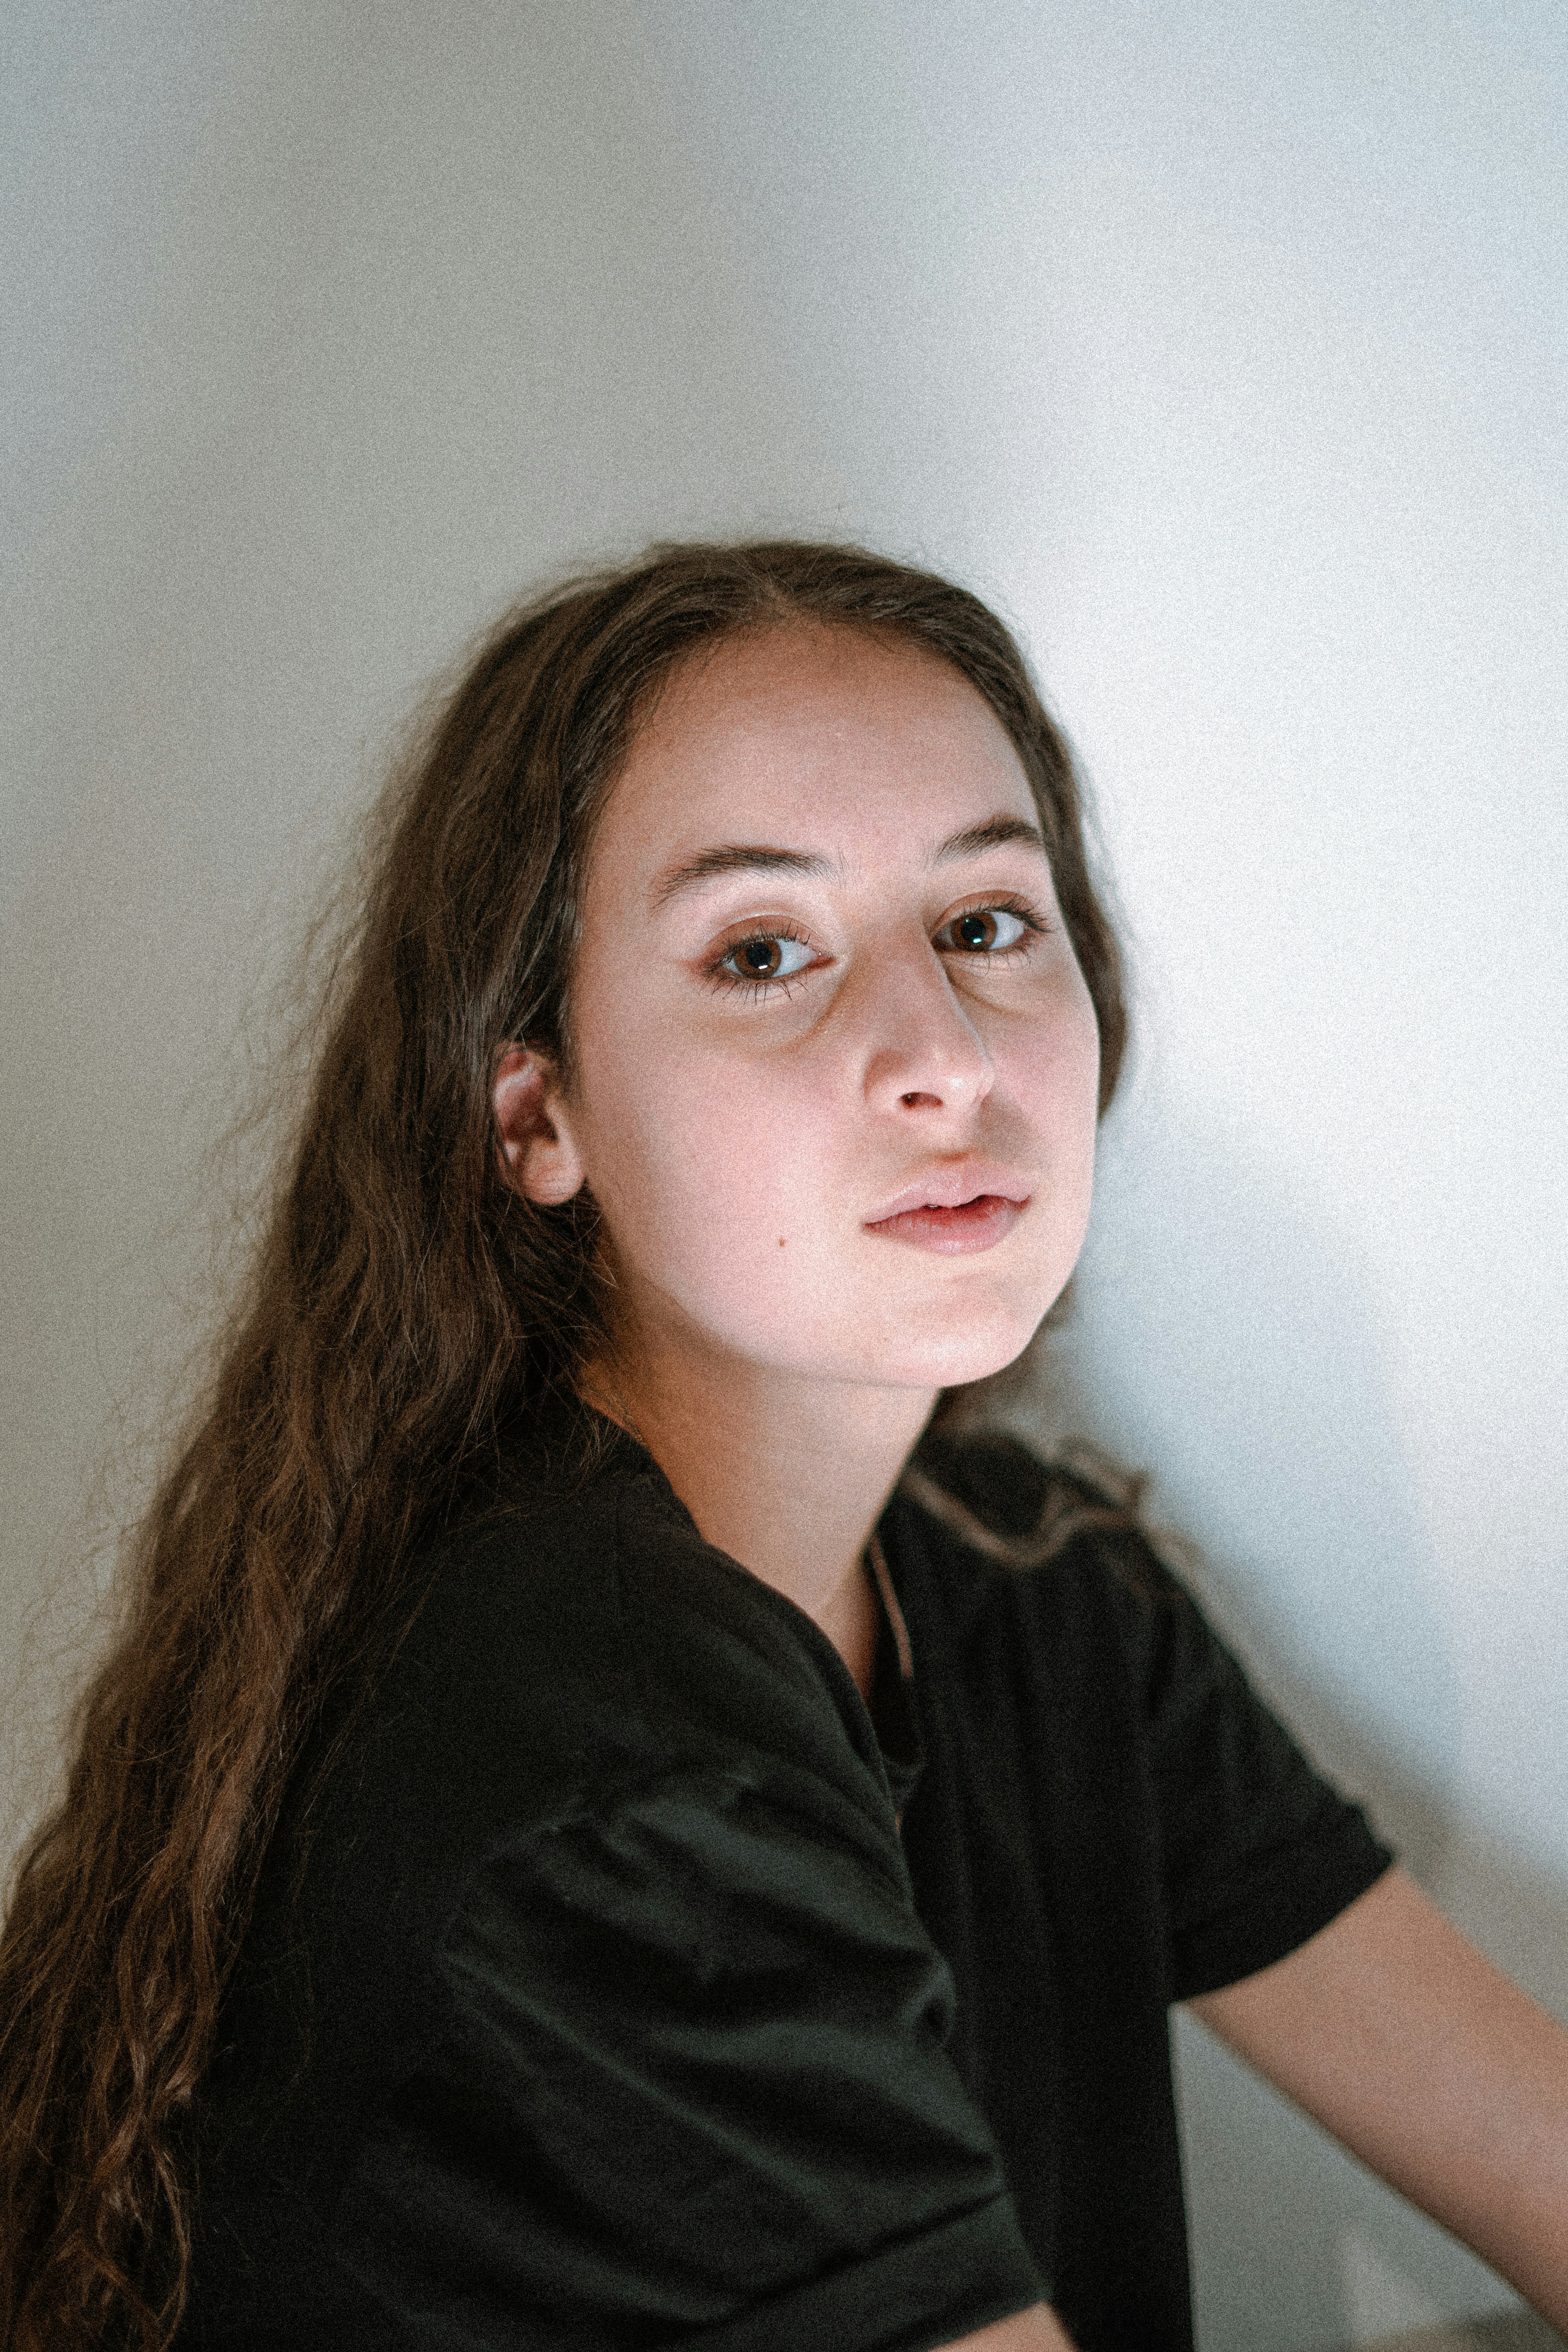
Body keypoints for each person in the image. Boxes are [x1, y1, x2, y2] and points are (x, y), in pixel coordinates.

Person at [1, 543, 1564, 2352]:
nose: (939, 1054)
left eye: (986, 924)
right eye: (763, 953)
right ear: (537, 1114)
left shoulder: (1026, 1582)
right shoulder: (599, 1768)